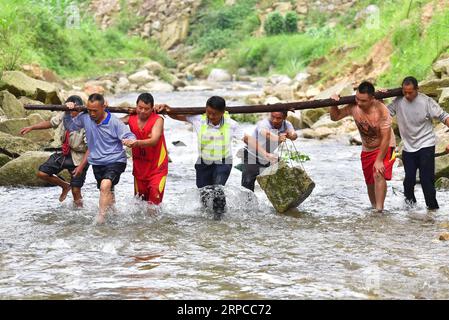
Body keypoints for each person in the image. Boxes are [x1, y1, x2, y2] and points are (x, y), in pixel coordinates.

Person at [155, 96, 243, 219]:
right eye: (209, 113)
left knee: (218, 188)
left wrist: (264, 153)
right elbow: (177, 116)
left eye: (215, 114)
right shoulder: (198, 119)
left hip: (224, 161)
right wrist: (167, 108)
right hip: (203, 161)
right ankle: (206, 216)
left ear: (223, 113)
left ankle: (219, 218)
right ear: (206, 109)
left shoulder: (232, 124)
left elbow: (247, 138)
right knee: (204, 191)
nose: (211, 117)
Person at [64, 93, 136, 224]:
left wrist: (130, 141)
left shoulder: (114, 121)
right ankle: (115, 216)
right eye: (90, 110)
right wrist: (67, 112)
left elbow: (129, 134)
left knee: (105, 186)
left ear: (103, 107)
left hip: (115, 160)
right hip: (97, 162)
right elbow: (70, 126)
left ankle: (100, 219)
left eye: (95, 111)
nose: (92, 114)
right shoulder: (85, 118)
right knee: (108, 192)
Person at [330, 81, 396, 212]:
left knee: (378, 173)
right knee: (370, 181)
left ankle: (379, 210)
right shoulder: (354, 106)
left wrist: (378, 160)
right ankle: (373, 207)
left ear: (372, 98)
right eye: (357, 99)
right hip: (367, 148)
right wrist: (333, 103)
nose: (359, 103)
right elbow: (335, 117)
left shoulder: (382, 111)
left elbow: (386, 137)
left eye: (363, 101)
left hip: (386, 145)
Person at [387, 76, 449, 210]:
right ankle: (411, 211)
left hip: (426, 144)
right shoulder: (398, 101)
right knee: (408, 181)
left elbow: (445, 117)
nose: (407, 95)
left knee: (426, 180)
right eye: (405, 92)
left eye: (410, 92)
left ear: (417, 89)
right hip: (408, 147)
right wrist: (380, 97)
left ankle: (433, 210)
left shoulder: (426, 101)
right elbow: (383, 114)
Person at [20, 95, 89, 207]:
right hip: (66, 153)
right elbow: (50, 123)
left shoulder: (87, 122)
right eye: (69, 111)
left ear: (80, 109)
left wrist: (80, 167)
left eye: (73, 111)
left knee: (76, 191)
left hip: (80, 158)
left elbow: (91, 148)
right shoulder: (66, 113)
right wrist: (32, 127)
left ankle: (79, 215)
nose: (71, 113)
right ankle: (65, 186)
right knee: (42, 173)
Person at [121, 93, 169, 208]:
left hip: (157, 169)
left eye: (146, 109)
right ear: (135, 106)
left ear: (152, 108)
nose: (142, 111)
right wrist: (104, 108)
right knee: (140, 205)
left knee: (154, 206)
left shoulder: (158, 120)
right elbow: (109, 122)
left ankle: (154, 226)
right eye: (140, 108)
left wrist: (136, 143)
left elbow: (154, 140)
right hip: (140, 169)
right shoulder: (130, 118)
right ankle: (141, 227)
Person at [241, 111, 298, 191]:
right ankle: (247, 203)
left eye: (278, 118)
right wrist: (278, 138)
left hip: (269, 157)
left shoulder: (287, 124)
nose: (275, 120)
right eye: (273, 117)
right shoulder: (264, 123)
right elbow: (266, 134)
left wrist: (291, 135)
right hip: (252, 155)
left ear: (284, 118)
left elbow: (294, 135)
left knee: (283, 180)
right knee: (247, 183)